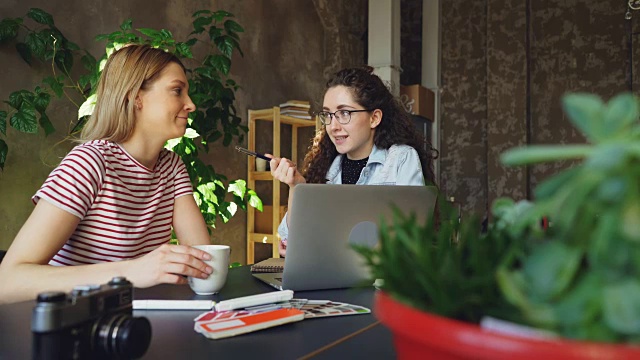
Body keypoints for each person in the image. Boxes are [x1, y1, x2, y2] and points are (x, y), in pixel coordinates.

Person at [0, 44, 214, 304]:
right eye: (177, 91)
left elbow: (204, 262)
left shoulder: (172, 167)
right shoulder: (89, 163)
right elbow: (7, 281)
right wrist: (130, 272)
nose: (190, 105)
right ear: (136, 97)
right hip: (73, 327)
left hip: (130, 325)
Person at [269, 66, 437, 257]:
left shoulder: (401, 158)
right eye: (328, 115)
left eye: (344, 113)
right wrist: (297, 187)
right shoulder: (325, 168)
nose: (333, 126)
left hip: (380, 282)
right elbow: (287, 242)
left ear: (374, 118)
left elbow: (413, 238)